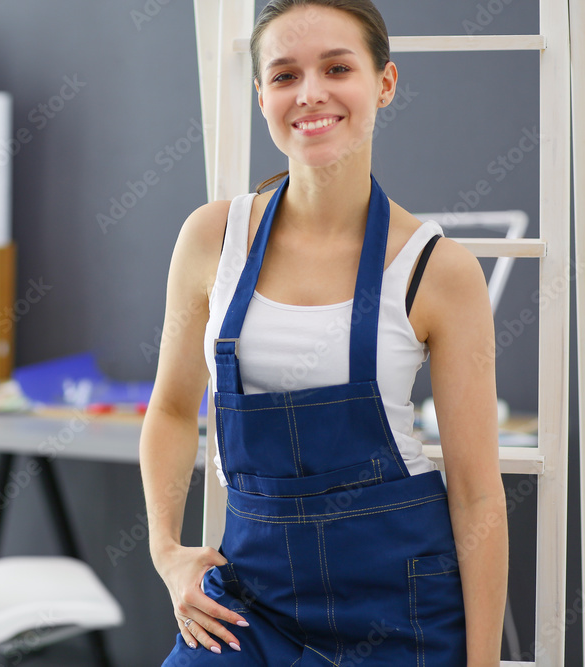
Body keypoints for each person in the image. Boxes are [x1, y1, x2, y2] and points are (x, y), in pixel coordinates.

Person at [138, 1, 508, 664]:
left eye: (337, 67)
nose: (311, 93)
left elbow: (479, 494)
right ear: (262, 97)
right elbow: (169, 408)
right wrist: (167, 551)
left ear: (385, 83)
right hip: (249, 606)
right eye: (284, 76)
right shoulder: (210, 239)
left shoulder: (438, 270)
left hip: (400, 612)